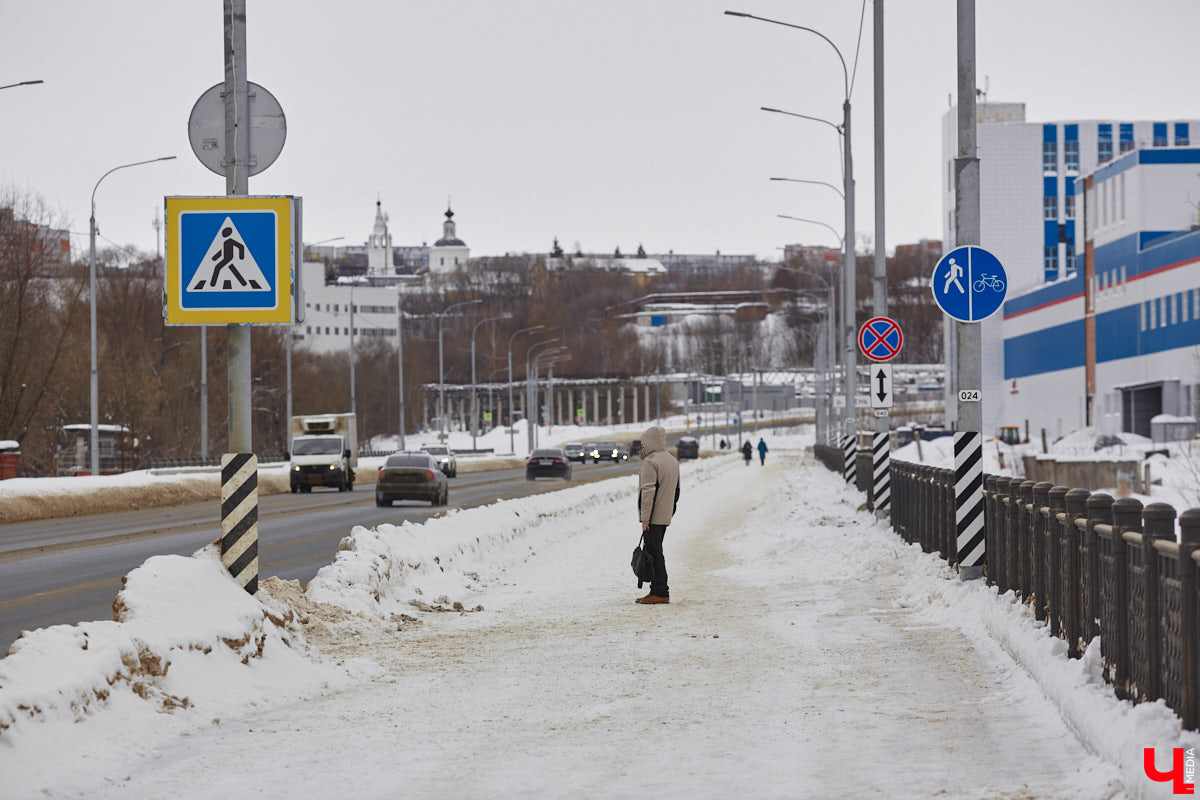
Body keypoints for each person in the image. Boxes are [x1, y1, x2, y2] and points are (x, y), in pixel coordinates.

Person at [636, 425, 679, 605]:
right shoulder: (671, 460)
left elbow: (647, 492)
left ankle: (660, 591)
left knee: (654, 553)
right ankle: (656, 590)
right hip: (663, 515)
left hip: (653, 516)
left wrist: (645, 518)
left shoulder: (651, 462)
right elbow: (676, 491)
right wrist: (669, 514)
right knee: (655, 551)